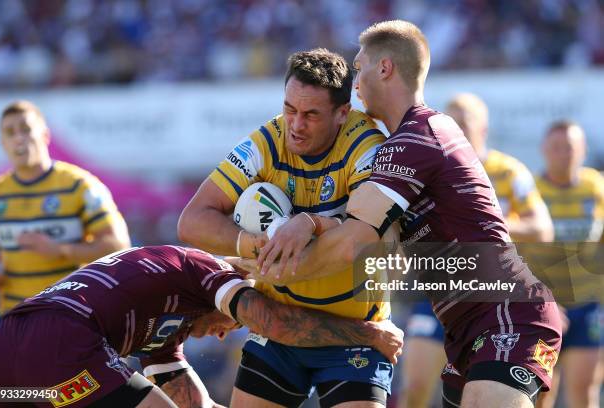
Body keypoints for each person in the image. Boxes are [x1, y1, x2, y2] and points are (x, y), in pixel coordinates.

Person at [235, 20, 563, 408]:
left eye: (359, 68)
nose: (354, 82)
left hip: (506, 312)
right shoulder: (412, 136)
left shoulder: (416, 138)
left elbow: (352, 243)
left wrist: (274, 264)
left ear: (385, 68)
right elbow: (367, 237)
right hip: (465, 327)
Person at [178, 48, 393, 407]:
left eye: (310, 114)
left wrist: (308, 223)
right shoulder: (266, 142)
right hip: (282, 326)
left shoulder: (366, 146)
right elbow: (192, 220)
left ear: (343, 113)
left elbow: (365, 236)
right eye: (289, 109)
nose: (295, 125)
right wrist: (253, 244)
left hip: (357, 331)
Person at [0, 245, 404, 408]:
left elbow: (187, 398)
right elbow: (276, 322)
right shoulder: (205, 269)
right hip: (62, 340)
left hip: (11, 356)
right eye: (235, 322)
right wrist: (368, 334)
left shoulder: (165, 332)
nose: (226, 333)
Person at [400, 93, 554, 408]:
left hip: (496, 297)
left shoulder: (509, 171)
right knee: (415, 388)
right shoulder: (430, 166)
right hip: (438, 296)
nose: (455, 129)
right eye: (450, 121)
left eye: (464, 122)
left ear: (483, 129)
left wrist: (483, 228)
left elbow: (542, 229)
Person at [0, 100, 130, 323]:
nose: (19, 138)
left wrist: (60, 249)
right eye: (10, 132)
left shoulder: (80, 185)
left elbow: (119, 246)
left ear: (45, 135)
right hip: (14, 318)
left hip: (71, 313)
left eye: (26, 129)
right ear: (3, 143)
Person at [534, 120, 603, 408]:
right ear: (544, 151)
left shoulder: (596, 188)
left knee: (583, 391)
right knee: (541, 391)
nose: (564, 154)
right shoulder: (531, 192)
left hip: (586, 307)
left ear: (583, 150)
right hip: (543, 313)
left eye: (570, 148)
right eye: (557, 148)